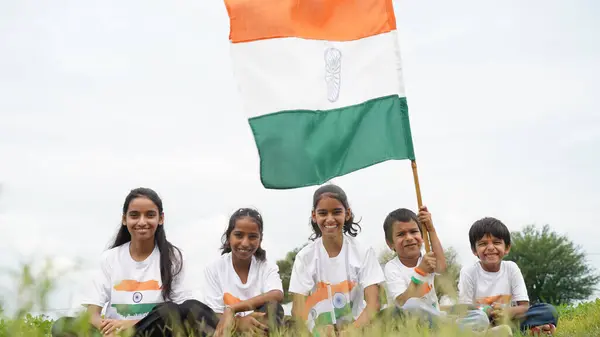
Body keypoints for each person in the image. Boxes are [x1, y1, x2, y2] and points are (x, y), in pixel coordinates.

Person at [51, 188, 211, 337]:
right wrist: (108, 328)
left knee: (175, 310)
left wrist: (132, 325)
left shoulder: (173, 257)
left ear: (160, 219)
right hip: (115, 333)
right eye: (134, 215)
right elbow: (92, 313)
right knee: (62, 325)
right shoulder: (110, 258)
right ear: (124, 219)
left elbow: (184, 310)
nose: (142, 222)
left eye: (150, 215)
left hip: (152, 332)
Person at [289, 184, 385, 336]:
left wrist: (351, 331)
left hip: (358, 329)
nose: (329, 219)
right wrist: (317, 333)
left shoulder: (363, 252)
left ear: (347, 214)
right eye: (323, 213)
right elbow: (298, 309)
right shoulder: (304, 257)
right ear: (314, 216)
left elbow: (374, 304)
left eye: (336, 212)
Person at [458, 217, 558, 335]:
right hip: (483, 319)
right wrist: (488, 311)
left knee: (548, 311)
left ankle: (515, 330)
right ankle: (529, 330)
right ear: (474, 250)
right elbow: (465, 309)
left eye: (496, 242)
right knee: (468, 321)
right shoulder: (468, 271)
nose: (490, 248)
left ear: (507, 248)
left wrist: (506, 312)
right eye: (483, 243)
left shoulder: (511, 268)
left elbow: (524, 307)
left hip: (509, 318)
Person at [201, 208, 285, 337]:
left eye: (252, 237)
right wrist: (239, 324)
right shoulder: (214, 268)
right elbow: (214, 314)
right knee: (192, 308)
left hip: (257, 329)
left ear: (260, 240)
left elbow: (277, 294)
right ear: (229, 237)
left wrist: (233, 309)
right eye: (239, 235)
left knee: (274, 308)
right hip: (227, 331)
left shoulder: (266, 267)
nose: (245, 243)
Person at [382, 207, 449, 321]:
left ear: (422, 237)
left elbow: (441, 267)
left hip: (435, 317)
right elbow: (402, 303)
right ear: (390, 244)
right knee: (412, 306)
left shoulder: (426, 258)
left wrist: (431, 229)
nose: (409, 238)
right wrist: (420, 272)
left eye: (413, 232)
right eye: (401, 234)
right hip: (408, 321)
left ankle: (450, 323)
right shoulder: (391, 267)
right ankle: (451, 324)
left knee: (478, 316)